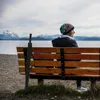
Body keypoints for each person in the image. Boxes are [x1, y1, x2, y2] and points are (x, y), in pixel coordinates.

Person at [52, 23, 87, 92]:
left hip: (59, 68)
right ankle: (79, 87)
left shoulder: (55, 42)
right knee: (78, 66)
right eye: (73, 30)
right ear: (69, 31)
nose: (74, 32)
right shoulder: (72, 42)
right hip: (72, 69)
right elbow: (79, 58)